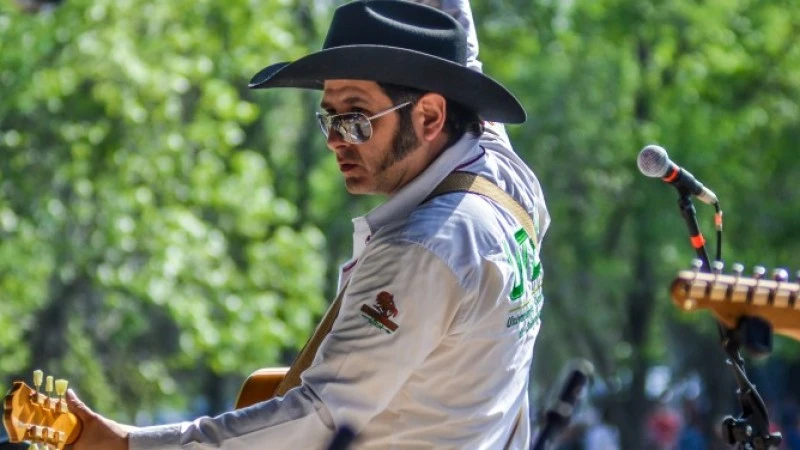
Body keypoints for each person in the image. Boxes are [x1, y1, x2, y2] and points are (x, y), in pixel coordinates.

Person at [65, 0, 550, 448]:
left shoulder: (420, 249)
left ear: (429, 117)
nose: (336, 141)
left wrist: (129, 444)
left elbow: (319, 417)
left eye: (356, 119)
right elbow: (463, 53)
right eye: (329, 118)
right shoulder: (502, 174)